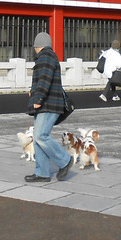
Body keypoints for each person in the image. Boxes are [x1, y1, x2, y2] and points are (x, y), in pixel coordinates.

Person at [25, 31, 73, 183]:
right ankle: (42, 172)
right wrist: (34, 92)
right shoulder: (48, 56)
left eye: (35, 47)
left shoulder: (45, 57)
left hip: (48, 104)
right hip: (47, 103)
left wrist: (38, 98)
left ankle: (65, 160)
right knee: (39, 138)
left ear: (38, 46)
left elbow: (44, 79)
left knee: (40, 136)